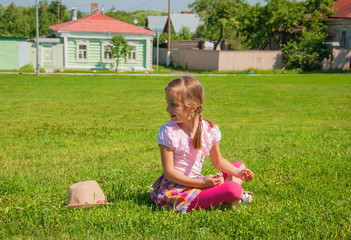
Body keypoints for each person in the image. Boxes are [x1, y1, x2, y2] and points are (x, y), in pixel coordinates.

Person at [150, 76, 254, 213]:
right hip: (178, 189)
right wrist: (203, 183)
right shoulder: (168, 132)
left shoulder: (209, 129)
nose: (167, 109)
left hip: (199, 183)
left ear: (192, 107)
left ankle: (223, 200)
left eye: (173, 104)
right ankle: (229, 199)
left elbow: (218, 161)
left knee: (239, 165)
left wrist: (239, 173)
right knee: (233, 189)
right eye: (168, 103)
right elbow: (169, 173)